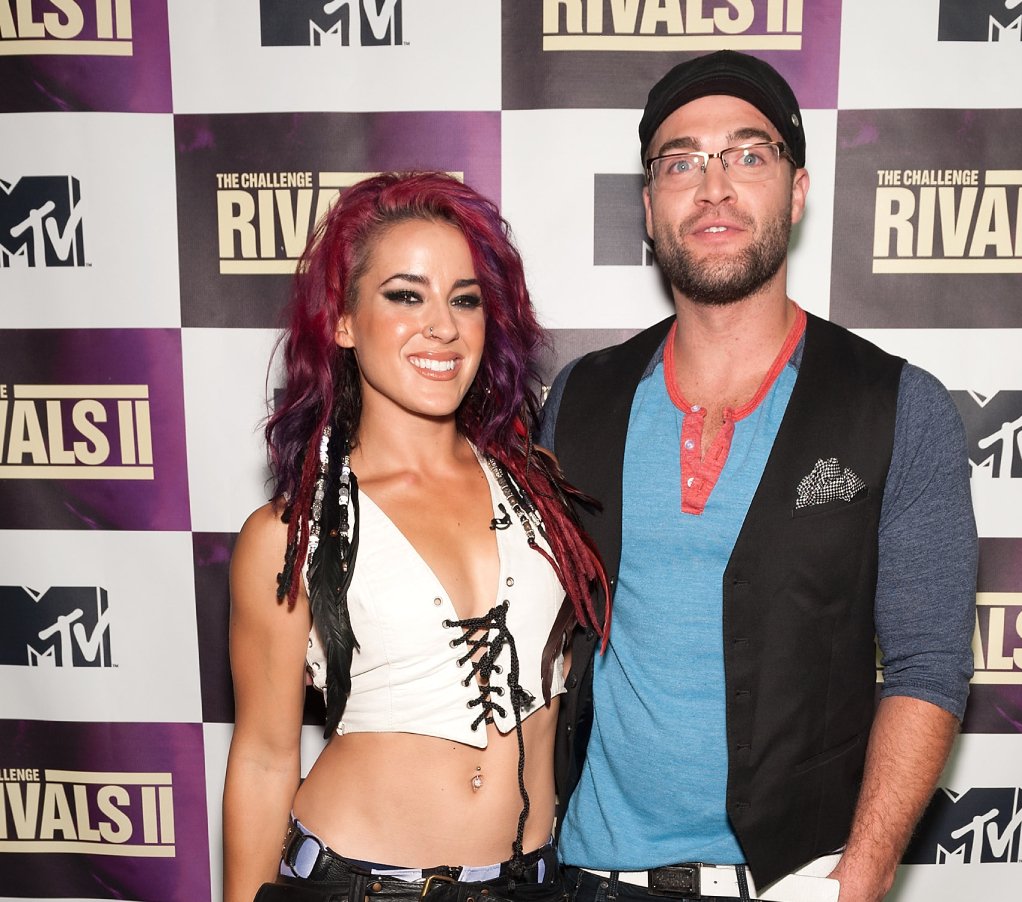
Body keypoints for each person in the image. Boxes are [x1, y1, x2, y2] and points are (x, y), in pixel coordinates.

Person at [540, 52, 978, 902]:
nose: (714, 188)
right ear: (649, 206)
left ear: (797, 191)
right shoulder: (579, 397)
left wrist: (862, 876)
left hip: (791, 877)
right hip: (586, 873)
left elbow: (927, 665)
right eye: (681, 163)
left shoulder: (897, 405)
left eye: (748, 155)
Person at [222, 172, 608, 902]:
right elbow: (265, 760)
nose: (443, 326)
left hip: (532, 881)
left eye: (464, 299)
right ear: (343, 322)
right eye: (405, 296)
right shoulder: (291, 533)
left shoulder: (537, 492)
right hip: (360, 886)